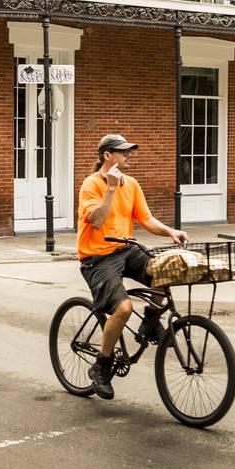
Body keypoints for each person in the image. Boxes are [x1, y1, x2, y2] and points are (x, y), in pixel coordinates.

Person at [77, 133, 187, 400]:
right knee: (124, 308)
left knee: (166, 268)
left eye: (129, 152)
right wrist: (111, 188)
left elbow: (146, 219)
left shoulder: (132, 183)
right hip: (97, 257)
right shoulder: (92, 184)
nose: (129, 156)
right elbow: (97, 221)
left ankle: (150, 320)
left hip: (125, 249)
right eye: (123, 152)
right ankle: (101, 366)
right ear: (107, 156)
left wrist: (169, 231)